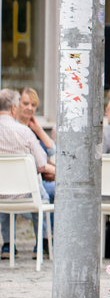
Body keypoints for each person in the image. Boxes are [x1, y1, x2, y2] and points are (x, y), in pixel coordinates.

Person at [0, 88, 54, 260]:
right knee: (43, 197)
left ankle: (8, 245)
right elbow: (41, 164)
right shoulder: (24, 132)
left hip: (1, 194)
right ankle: (41, 244)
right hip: (26, 194)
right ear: (14, 108)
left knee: (4, 193)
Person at [16, 88, 55, 206]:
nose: (29, 108)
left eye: (33, 105)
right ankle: (48, 225)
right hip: (25, 181)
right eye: (25, 103)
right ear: (17, 104)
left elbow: (52, 150)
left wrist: (38, 129)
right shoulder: (15, 130)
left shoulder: (33, 128)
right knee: (56, 189)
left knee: (57, 188)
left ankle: (52, 225)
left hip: (40, 179)